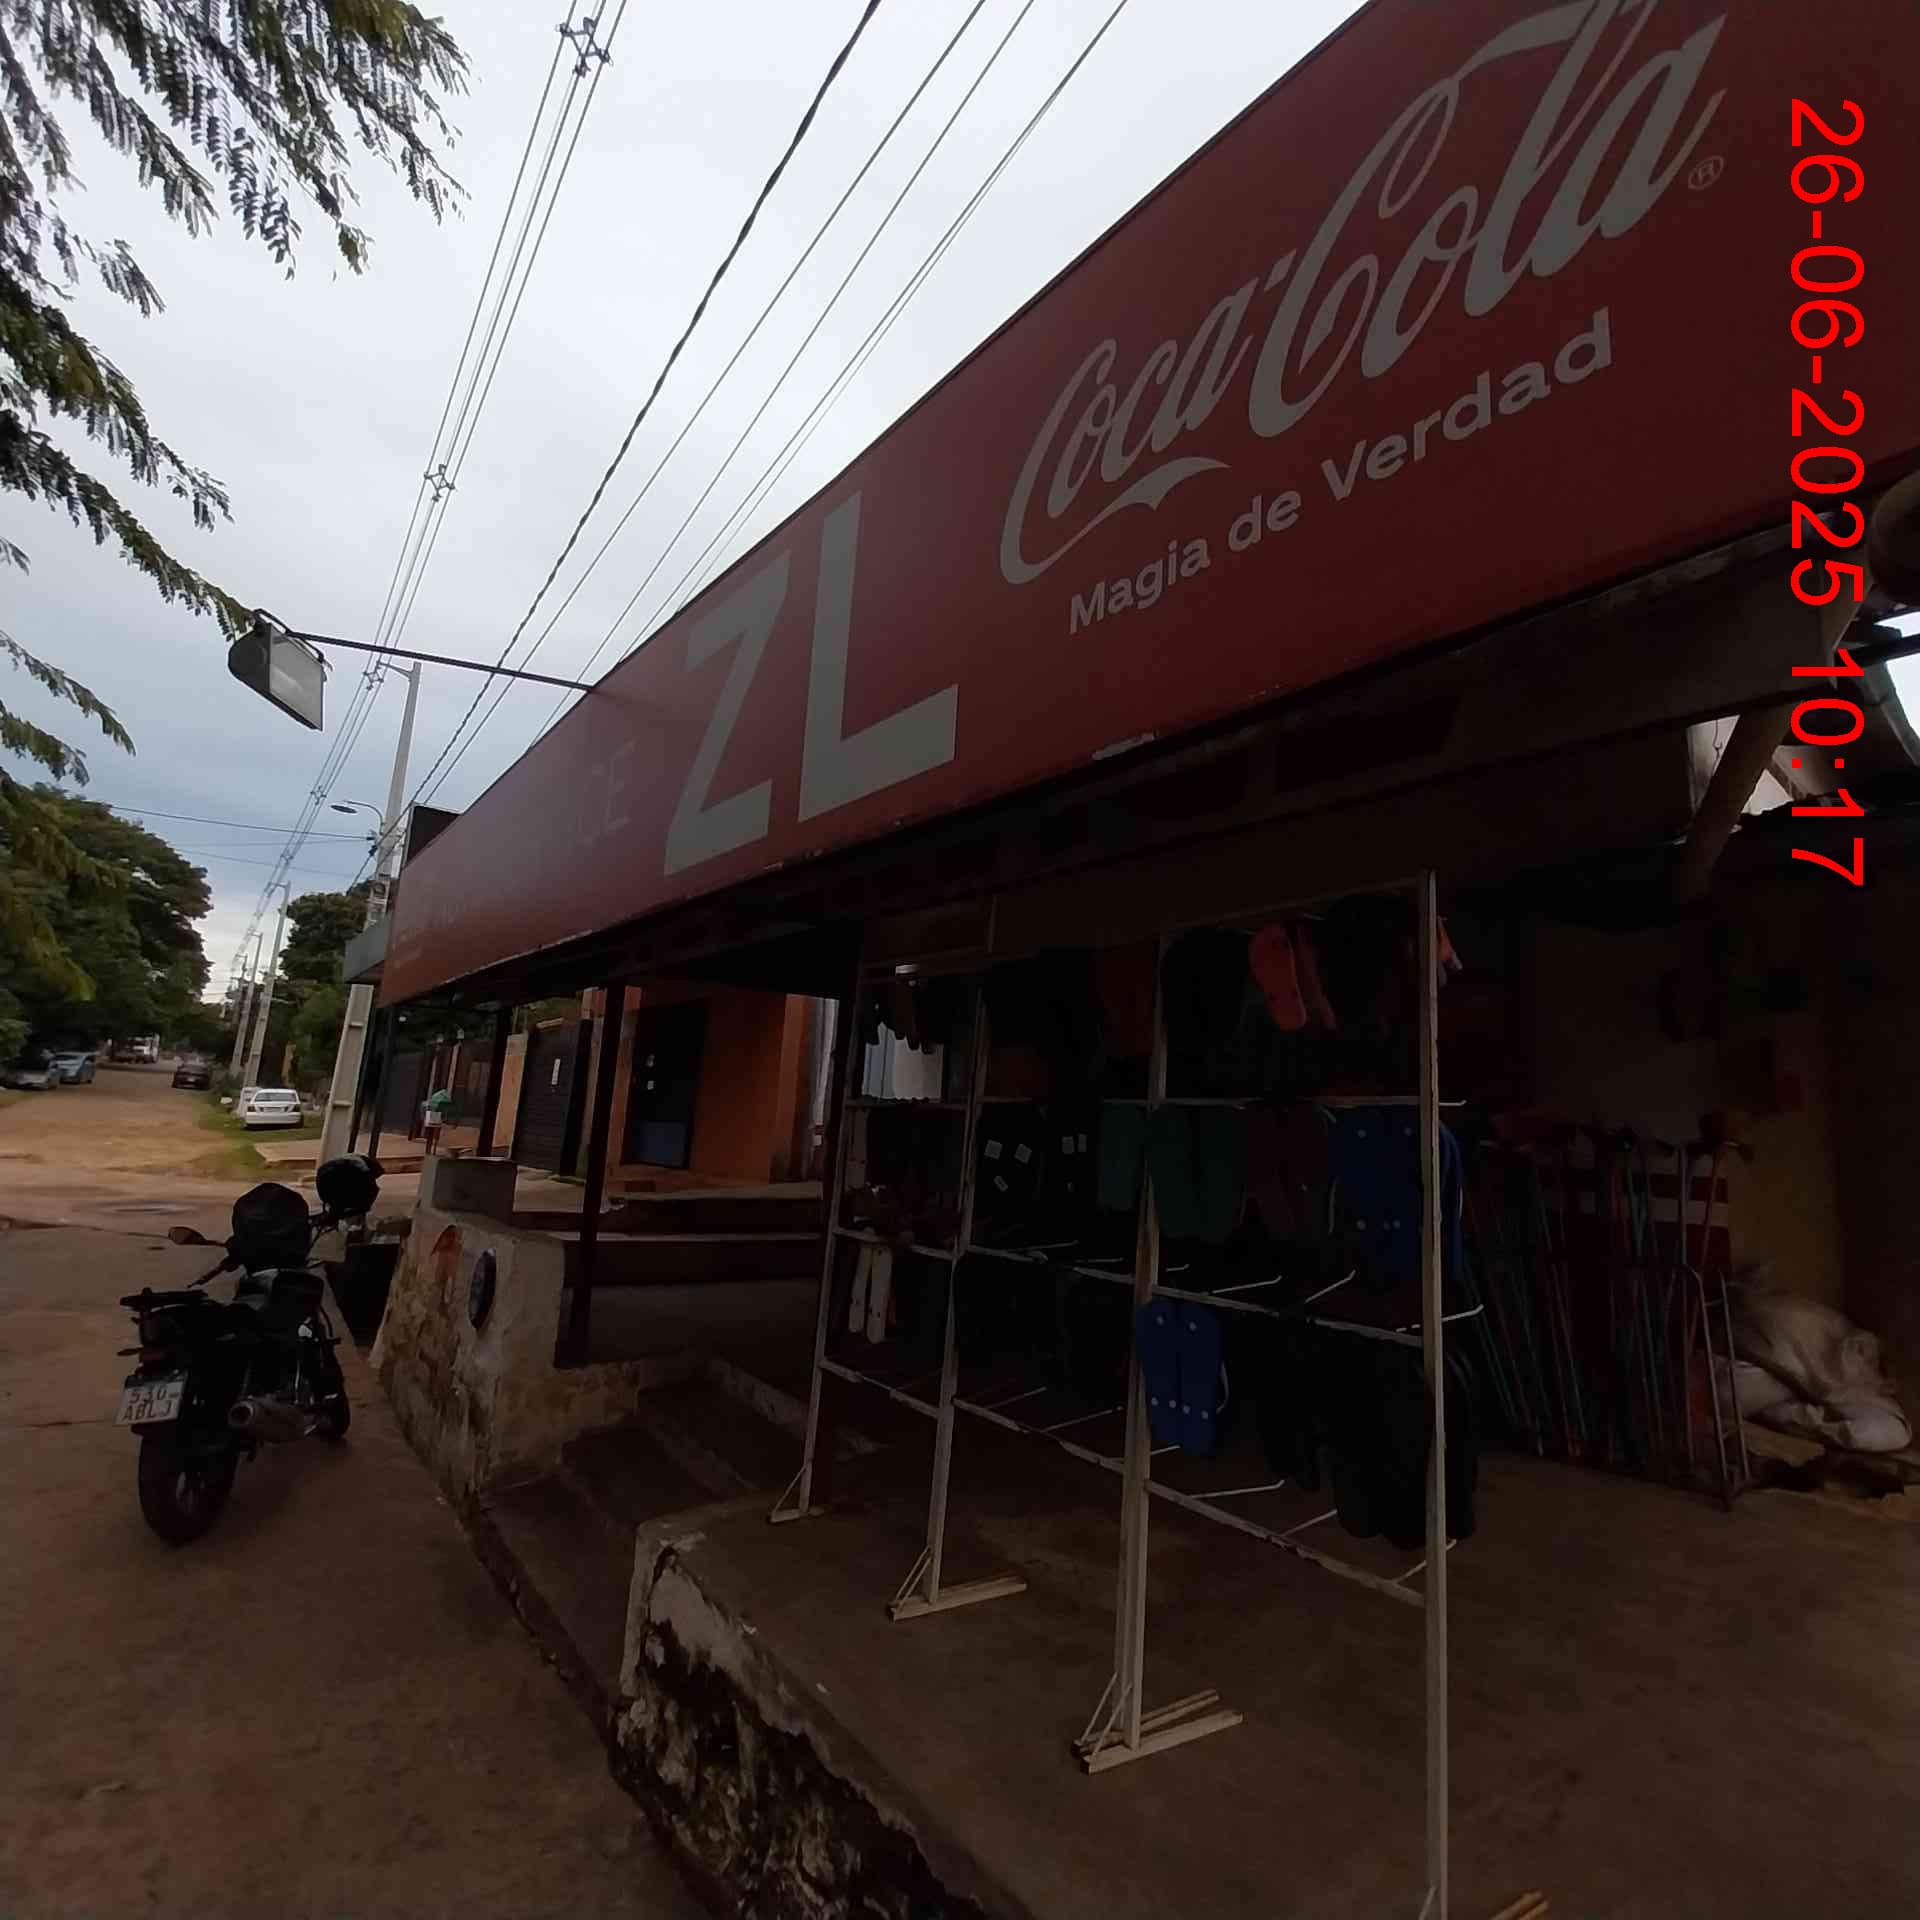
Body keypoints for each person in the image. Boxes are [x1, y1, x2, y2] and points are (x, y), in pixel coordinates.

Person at [422, 1084, 451, 1153]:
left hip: (432, 1119)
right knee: (434, 1135)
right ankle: (432, 1150)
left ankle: (429, 1150)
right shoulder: (442, 1101)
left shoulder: (433, 1100)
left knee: (431, 1135)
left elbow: (424, 1108)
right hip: (436, 1120)